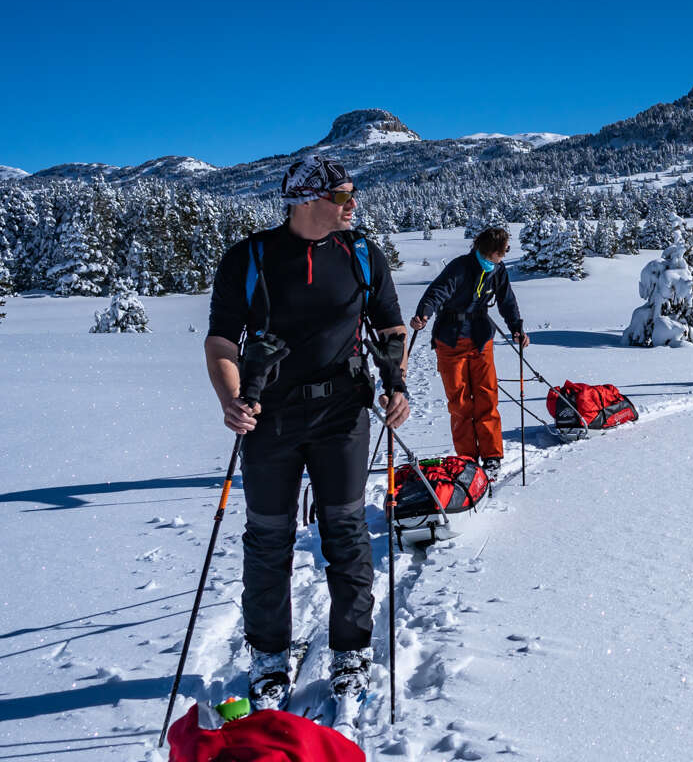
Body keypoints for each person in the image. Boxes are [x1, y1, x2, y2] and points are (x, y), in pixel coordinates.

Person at [205, 156, 409, 710]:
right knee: (267, 539)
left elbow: (390, 327)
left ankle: (351, 649)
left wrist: (396, 384)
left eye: (353, 194)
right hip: (268, 420)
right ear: (305, 200)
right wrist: (231, 399)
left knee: (345, 533)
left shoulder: (362, 255)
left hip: (343, 415)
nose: (353, 203)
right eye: (342, 196)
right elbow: (222, 342)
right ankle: (269, 655)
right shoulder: (251, 258)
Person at [410, 227, 528, 481]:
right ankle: (467, 459)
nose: (505, 255)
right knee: (460, 403)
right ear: (491, 251)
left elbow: (507, 301)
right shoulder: (460, 267)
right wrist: (424, 313)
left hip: (480, 339)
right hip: (451, 341)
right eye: (504, 251)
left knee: (487, 397)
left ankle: (492, 457)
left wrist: (517, 328)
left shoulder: (497, 270)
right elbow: (436, 292)